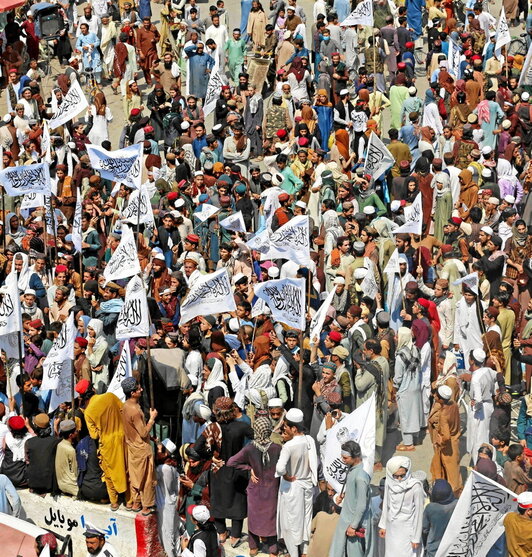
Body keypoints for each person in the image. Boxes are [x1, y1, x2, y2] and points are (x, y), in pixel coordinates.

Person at [276, 407, 318, 557]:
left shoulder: (289, 446)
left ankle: (294, 554)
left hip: (293, 488)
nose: (284, 428)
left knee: (291, 524)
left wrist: (286, 475)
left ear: (294, 428)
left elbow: (280, 468)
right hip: (307, 486)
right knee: (306, 519)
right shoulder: (309, 440)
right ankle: (305, 551)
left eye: (286, 426)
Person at [120, 377, 157, 515]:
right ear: (132, 393)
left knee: (135, 477)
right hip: (141, 448)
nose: (141, 389)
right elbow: (142, 432)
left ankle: (136, 503)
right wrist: (152, 419)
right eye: (138, 388)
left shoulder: (125, 406)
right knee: (146, 479)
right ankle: (146, 506)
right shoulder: (134, 410)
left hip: (132, 446)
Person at [329, 440, 371, 557]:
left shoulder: (361, 477)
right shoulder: (353, 471)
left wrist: (353, 526)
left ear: (355, 457)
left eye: (345, 458)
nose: (343, 460)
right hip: (347, 521)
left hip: (353, 524)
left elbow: (361, 504)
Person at [378, 456, 425, 556]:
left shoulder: (415, 486)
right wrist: (383, 525)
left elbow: (419, 513)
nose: (399, 479)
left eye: (402, 476)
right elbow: (386, 504)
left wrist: (416, 537)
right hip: (392, 528)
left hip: (407, 530)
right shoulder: (389, 482)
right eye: (396, 476)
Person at [422, 479, 457, 557]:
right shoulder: (457, 504)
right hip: (453, 548)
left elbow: (425, 530)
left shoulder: (430, 508)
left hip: (434, 550)